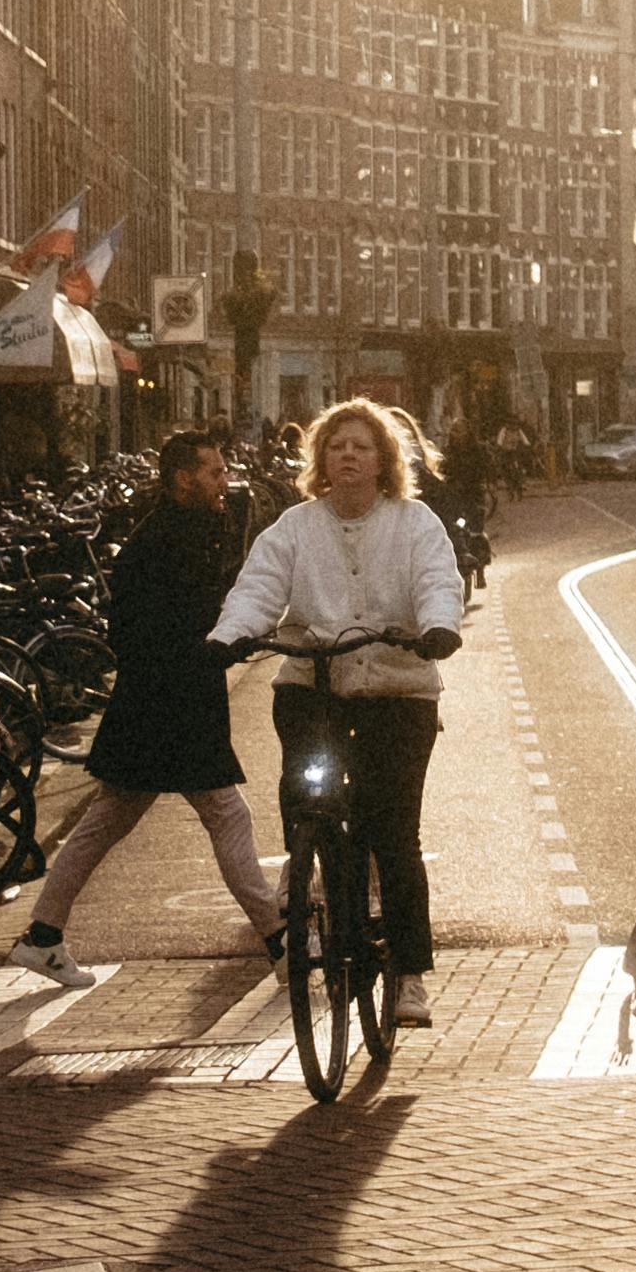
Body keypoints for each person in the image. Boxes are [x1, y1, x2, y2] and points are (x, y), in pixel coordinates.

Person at [216, 393, 466, 1014]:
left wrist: (437, 628)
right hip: (314, 685)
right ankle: (313, 883)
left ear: (383, 461)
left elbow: (438, 579)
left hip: (397, 691)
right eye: (336, 445)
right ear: (320, 460)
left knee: (391, 830)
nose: (348, 455)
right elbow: (260, 586)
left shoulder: (415, 525)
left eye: (361, 446)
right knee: (310, 801)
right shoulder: (295, 528)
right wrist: (229, 636)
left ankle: (409, 972)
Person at [9, 425, 275, 984]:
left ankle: (43, 934)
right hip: (173, 708)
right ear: (184, 478)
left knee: (104, 823)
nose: (225, 481)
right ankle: (281, 938)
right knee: (226, 816)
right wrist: (221, 649)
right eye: (215, 472)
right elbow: (168, 631)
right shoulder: (167, 544)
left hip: (151, 707)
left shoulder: (180, 532)